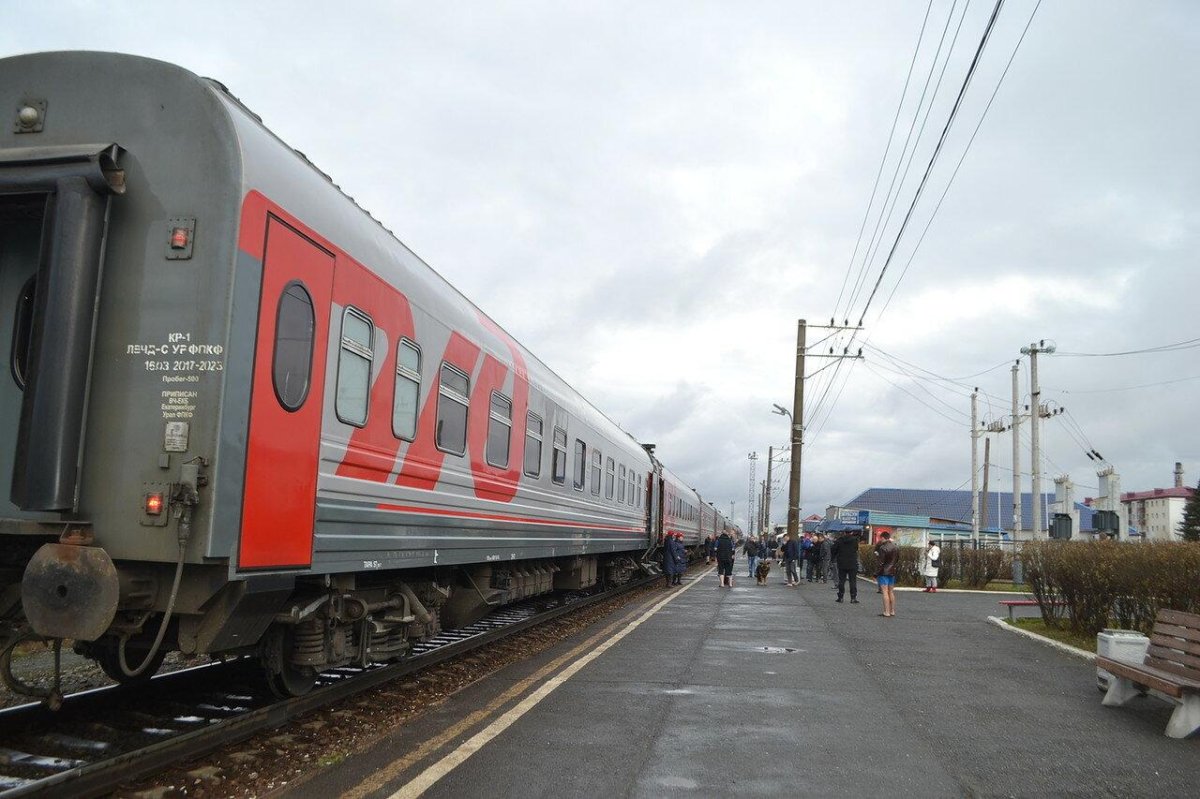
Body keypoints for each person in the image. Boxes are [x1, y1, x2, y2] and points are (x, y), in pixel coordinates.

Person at [830, 529, 860, 603]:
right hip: (852, 562)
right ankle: (853, 598)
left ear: (844, 532)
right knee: (852, 581)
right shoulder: (855, 540)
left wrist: (834, 557)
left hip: (842, 562)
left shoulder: (839, 540)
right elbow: (856, 549)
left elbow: (833, 549)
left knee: (842, 580)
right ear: (851, 532)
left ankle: (840, 597)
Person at [875, 531, 899, 617]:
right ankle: (892, 611)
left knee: (885, 592)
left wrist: (876, 573)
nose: (880, 540)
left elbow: (881, 562)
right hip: (892, 571)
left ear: (882, 537)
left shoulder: (882, 548)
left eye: (880, 538)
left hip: (884, 572)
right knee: (891, 591)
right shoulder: (895, 547)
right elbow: (897, 559)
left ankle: (886, 612)